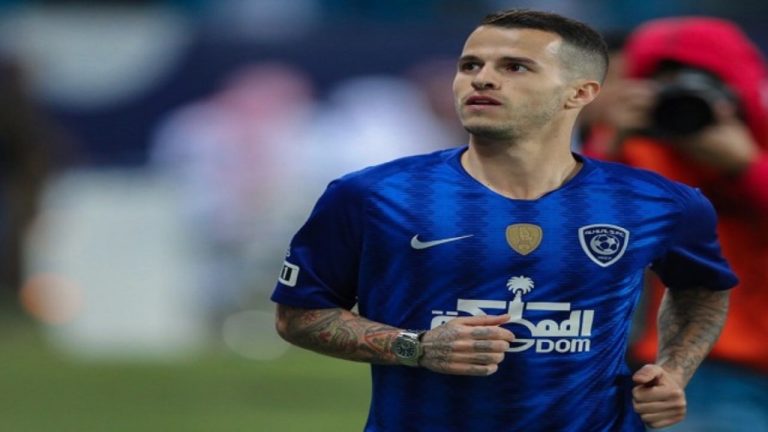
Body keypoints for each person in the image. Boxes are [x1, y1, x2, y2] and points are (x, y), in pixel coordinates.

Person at [271, 10, 737, 431]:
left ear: (580, 92)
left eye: (514, 67)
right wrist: (416, 346)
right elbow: (299, 316)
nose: (483, 79)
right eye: (470, 65)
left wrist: (673, 371)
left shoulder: (660, 203)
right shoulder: (371, 195)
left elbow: (704, 288)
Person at [595, 17, 768, 431]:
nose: (687, 100)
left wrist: (746, 166)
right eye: (665, 86)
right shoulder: (643, 153)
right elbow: (583, 231)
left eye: (705, 83)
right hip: (702, 373)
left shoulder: (754, 148)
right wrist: (612, 139)